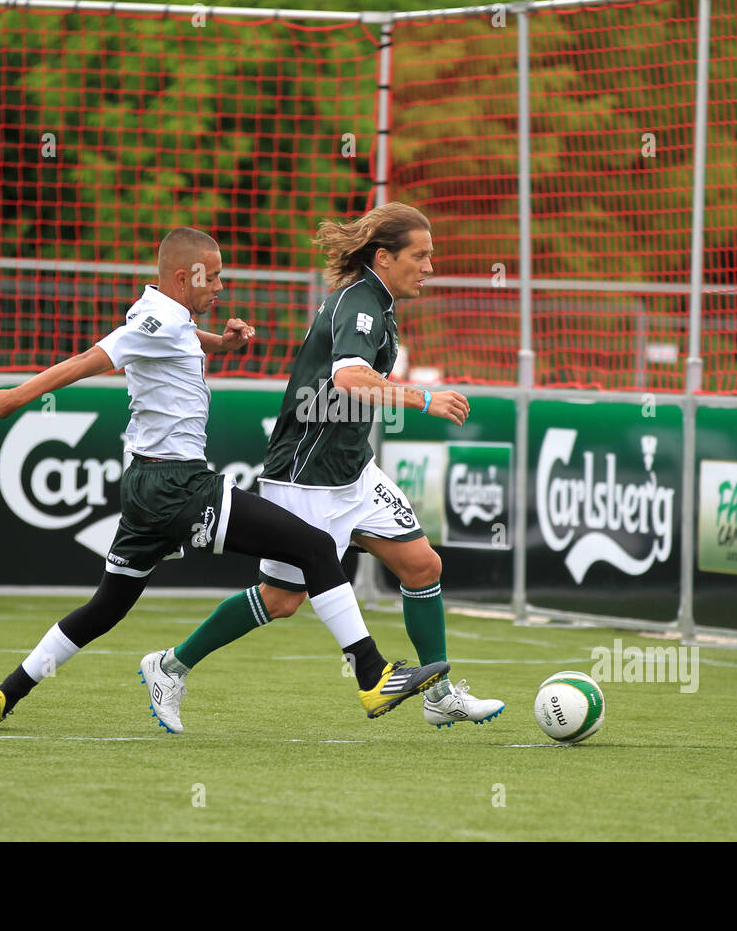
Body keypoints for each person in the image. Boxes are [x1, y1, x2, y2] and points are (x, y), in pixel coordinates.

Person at [0, 226, 448, 733]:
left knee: (106, 606)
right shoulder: (152, 320)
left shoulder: (168, 318)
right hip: (179, 486)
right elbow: (89, 360)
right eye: (211, 277)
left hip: (145, 487)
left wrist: (222, 342)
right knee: (317, 548)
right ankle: (372, 674)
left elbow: (176, 340)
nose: (219, 286)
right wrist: (15, 396)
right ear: (181, 275)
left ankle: (3, 694)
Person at [145, 204, 504, 730]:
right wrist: (424, 400)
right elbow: (349, 381)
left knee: (423, 565)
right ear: (384, 257)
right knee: (282, 599)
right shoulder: (360, 304)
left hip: (353, 470)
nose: (430, 266)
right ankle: (169, 666)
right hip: (306, 473)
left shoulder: (377, 302)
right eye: (420, 255)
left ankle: (438, 693)